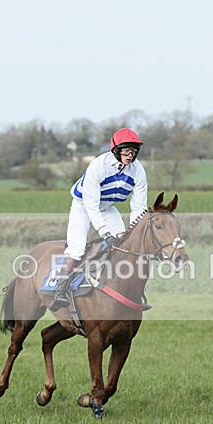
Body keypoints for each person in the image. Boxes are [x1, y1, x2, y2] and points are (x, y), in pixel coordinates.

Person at [49, 127, 148, 310]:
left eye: (133, 151)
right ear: (116, 150)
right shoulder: (98, 165)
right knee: (77, 249)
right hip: (83, 206)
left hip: (107, 208)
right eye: (126, 150)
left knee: (124, 245)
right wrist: (105, 233)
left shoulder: (138, 171)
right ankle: (59, 290)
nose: (130, 155)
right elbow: (91, 206)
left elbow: (139, 207)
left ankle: (124, 290)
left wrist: (134, 231)